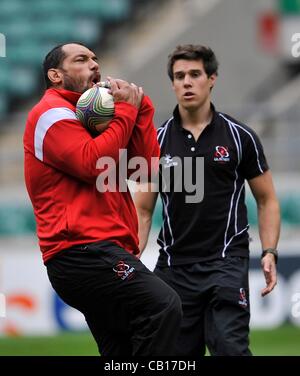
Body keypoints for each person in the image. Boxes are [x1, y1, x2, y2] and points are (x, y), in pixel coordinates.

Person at [23, 42, 182, 356]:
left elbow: (144, 168)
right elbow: (94, 165)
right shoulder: (50, 113)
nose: (94, 64)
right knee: (164, 306)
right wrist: (125, 111)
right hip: (82, 252)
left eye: (95, 58)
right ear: (55, 75)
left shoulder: (93, 116)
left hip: (103, 251)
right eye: (81, 60)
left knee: (121, 350)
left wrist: (141, 112)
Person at [134, 44, 281, 356]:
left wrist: (269, 251)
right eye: (179, 76)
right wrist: (130, 259)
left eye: (195, 74)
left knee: (230, 348)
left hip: (226, 263)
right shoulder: (155, 143)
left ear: (211, 78)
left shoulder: (240, 137)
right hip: (173, 268)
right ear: (172, 84)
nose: (187, 82)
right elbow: (143, 210)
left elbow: (267, 199)